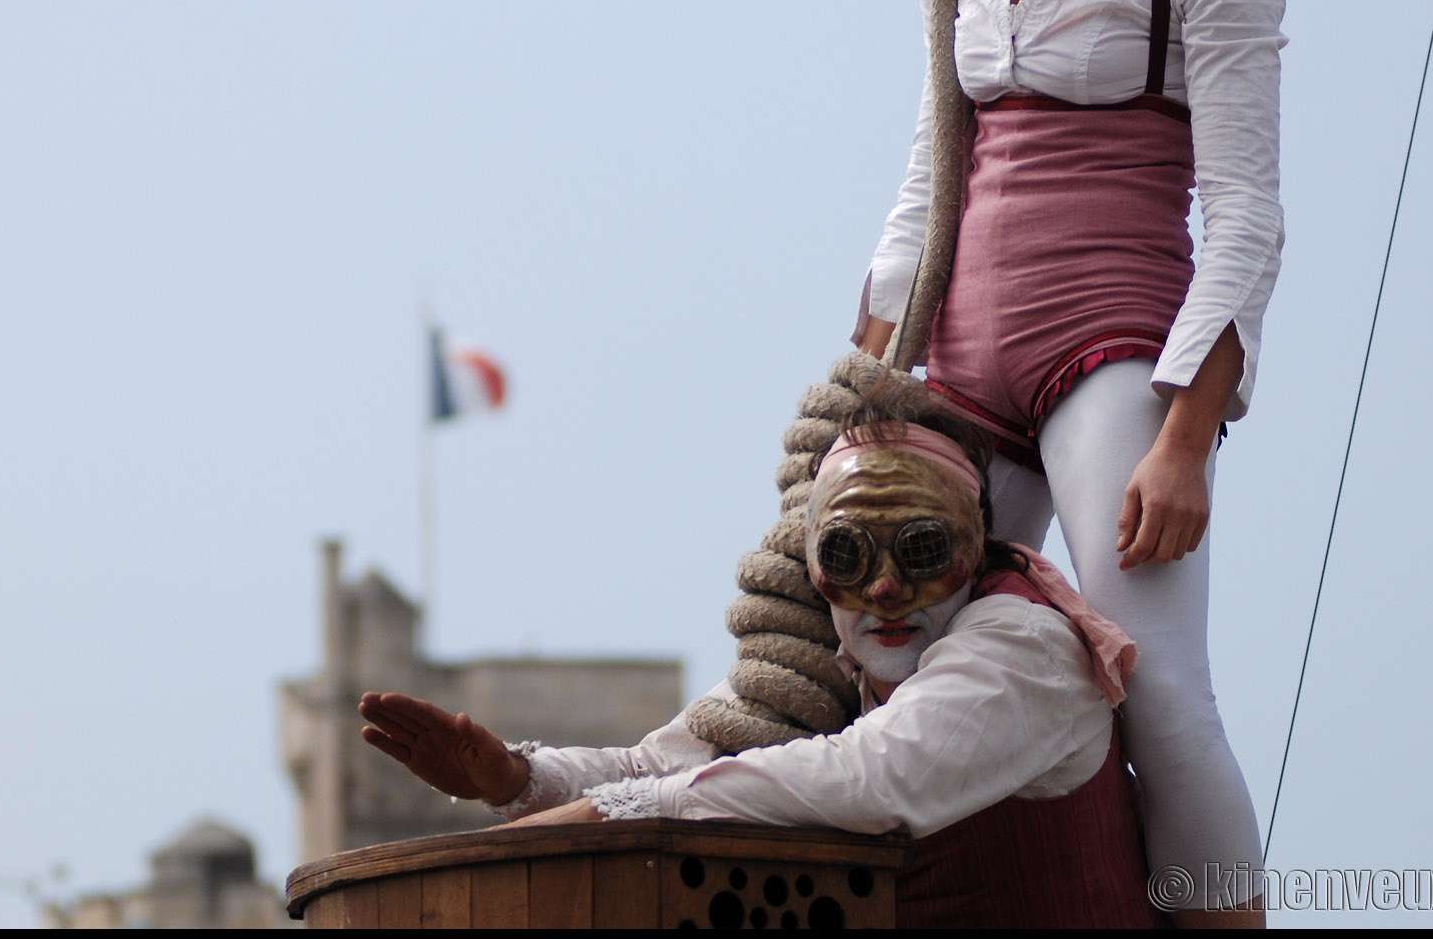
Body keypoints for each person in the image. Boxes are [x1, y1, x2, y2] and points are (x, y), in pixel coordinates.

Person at [856, 0, 1284, 925]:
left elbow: (1249, 216)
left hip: (1111, 360)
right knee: (882, 655)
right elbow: (928, 178)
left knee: (1154, 680)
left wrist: (1188, 440)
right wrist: (872, 379)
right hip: (960, 365)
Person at [362, 382, 1160, 930]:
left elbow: (874, 776)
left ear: (977, 546)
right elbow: (659, 768)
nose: (883, 588)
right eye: (849, 553)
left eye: (920, 549)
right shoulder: (826, 667)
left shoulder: (1026, 647)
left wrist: (622, 814)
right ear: (813, 563)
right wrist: (517, 780)